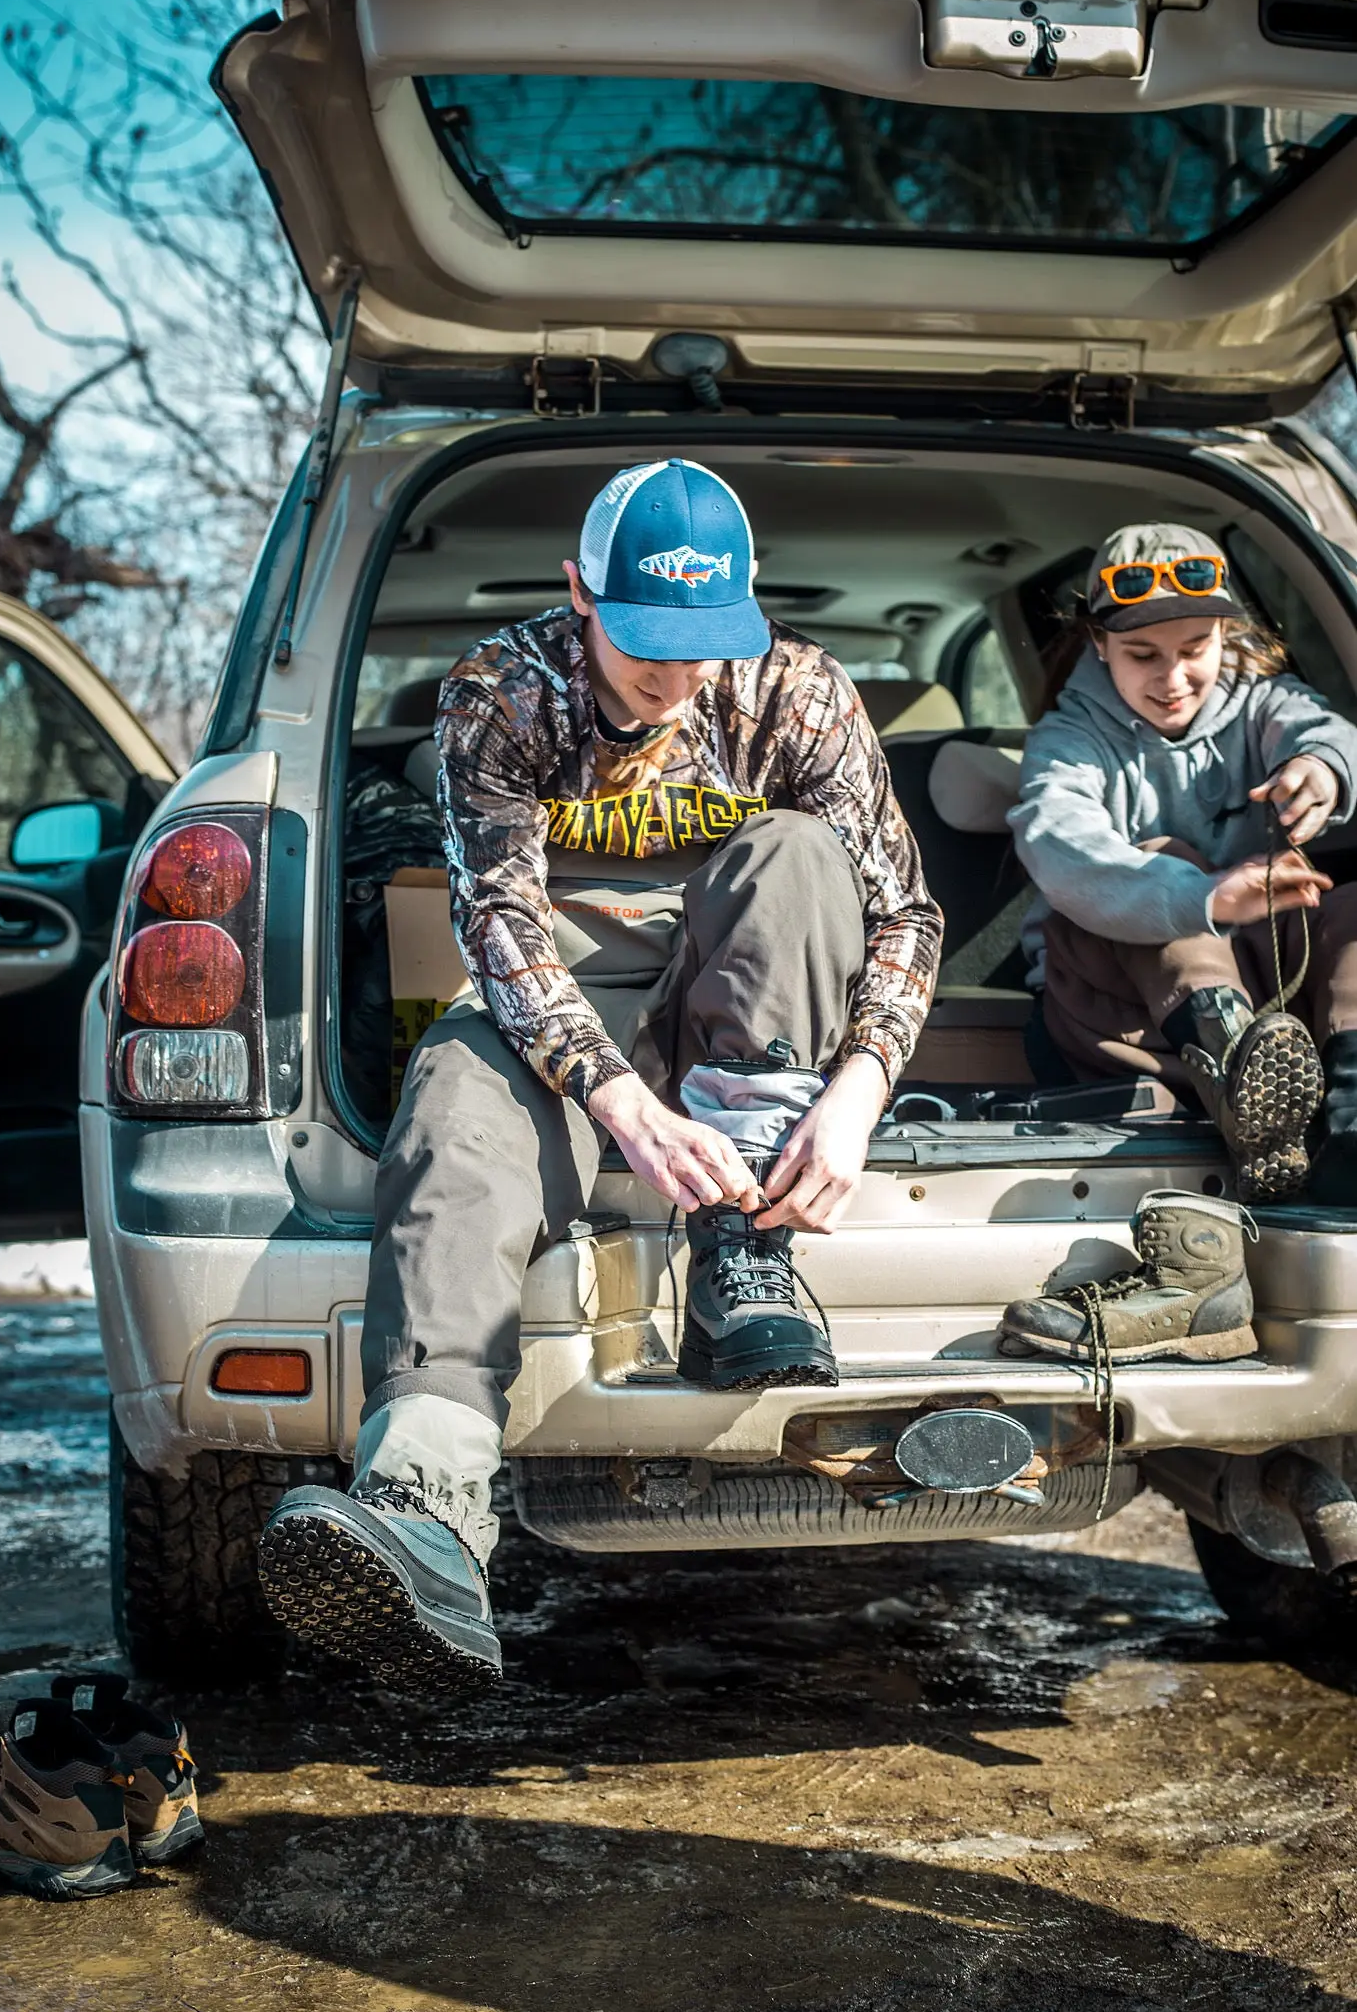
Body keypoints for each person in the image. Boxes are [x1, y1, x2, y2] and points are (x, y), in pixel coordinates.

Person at [261, 458, 944, 1690]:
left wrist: (856, 1093)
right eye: (645, 646)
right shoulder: (498, 694)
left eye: (701, 645)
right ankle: (429, 1507)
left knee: (794, 854)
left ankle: (742, 1259)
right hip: (565, 1006)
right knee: (451, 1109)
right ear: (579, 589)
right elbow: (503, 930)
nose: (676, 678)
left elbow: (904, 915)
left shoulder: (798, 692)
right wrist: (616, 1100)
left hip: (745, 1005)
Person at [998, 522, 1357, 1370]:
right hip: (1123, 1020)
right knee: (1163, 859)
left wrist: (1322, 770)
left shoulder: (1262, 702)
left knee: (1348, 911)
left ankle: (1341, 1128)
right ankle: (1239, 1077)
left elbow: (1328, 731)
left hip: (1277, 1005)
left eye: (1194, 647)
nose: (1173, 677)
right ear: (1097, 644)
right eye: (1142, 655)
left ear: (1225, 636)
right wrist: (1201, 898)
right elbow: (1060, 842)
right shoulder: (1070, 738)